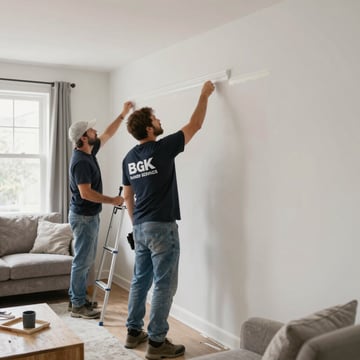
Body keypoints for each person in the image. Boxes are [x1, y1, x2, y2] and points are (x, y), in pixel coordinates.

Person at [122, 81, 215, 359]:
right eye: (156, 118)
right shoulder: (161, 149)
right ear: (150, 128)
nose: (160, 120)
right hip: (162, 226)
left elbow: (127, 196)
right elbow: (195, 124)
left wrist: (136, 224)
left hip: (140, 226)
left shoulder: (129, 158)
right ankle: (157, 342)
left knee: (140, 281)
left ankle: (133, 332)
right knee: (164, 284)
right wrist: (204, 94)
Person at [68, 101, 133, 319]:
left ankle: (79, 300)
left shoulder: (89, 151)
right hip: (84, 217)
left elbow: (108, 133)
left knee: (86, 260)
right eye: (91, 129)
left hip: (89, 216)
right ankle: (77, 305)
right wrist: (112, 200)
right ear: (83, 138)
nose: (96, 131)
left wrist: (123, 114)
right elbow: (86, 193)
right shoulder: (81, 162)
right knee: (83, 260)